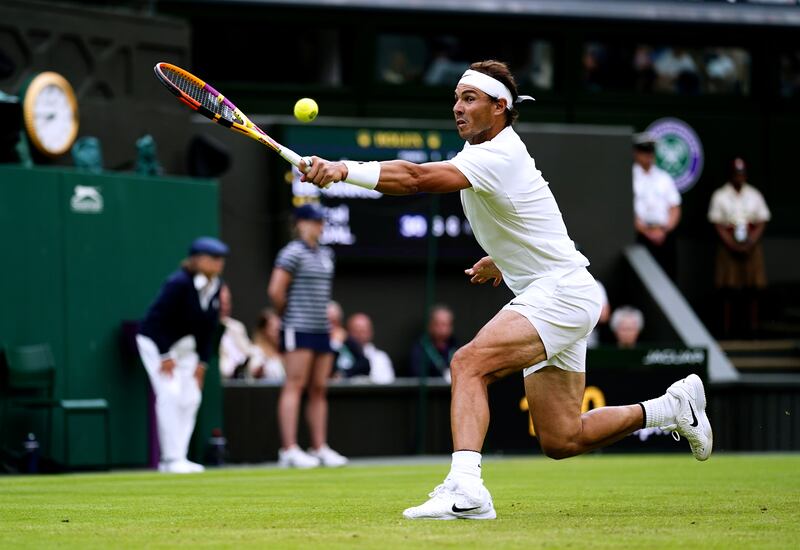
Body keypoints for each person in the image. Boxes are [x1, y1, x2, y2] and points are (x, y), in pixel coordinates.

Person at [300, 59, 712, 520]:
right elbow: (531, 220)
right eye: (455, 98)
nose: (457, 108)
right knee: (561, 438)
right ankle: (669, 408)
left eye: (469, 98)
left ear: (499, 107)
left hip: (560, 292)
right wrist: (504, 259)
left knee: (467, 363)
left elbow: (415, 179)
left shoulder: (497, 154)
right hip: (565, 290)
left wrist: (342, 169)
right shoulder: (492, 154)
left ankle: (467, 488)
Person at [136, 236, 229, 474]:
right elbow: (156, 321)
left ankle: (180, 457)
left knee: (191, 398)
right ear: (197, 260)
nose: (219, 263)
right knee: (169, 394)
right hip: (156, 343)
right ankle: (169, 459)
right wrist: (165, 356)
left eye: (221, 259)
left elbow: (209, 329)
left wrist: (203, 363)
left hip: (187, 348)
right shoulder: (177, 284)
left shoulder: (217, 286)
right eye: (213, 258)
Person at [268, 203, 348, 468]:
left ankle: (319, 447)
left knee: (318, 388)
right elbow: (275, 291)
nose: (318, 226)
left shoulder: (327, 255)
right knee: (295, 384)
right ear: (299, 224)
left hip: (320, 329)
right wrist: (290, 315)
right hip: (297, 327)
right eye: (313, 221)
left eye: (320, 222)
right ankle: (288, 449)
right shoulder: (291, 252)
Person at [708, 157, 771, 337]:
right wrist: (731, 243)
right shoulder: (720, 195)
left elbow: (762, 220)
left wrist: (751, 241)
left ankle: (752, 329)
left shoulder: (754, 194)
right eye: (736, 174)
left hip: (750, 245)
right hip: (728, 246)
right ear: (730, 175)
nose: (739, 177)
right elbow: (717, 223)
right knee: (728, 288)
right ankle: (727, 330)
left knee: (753, 288)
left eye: (742, 174)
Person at [632, 132, 682, 280]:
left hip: (664, 236)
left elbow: (675, 208)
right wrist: (646, 231)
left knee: (668, 277)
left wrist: (664, 230)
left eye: (651, 152)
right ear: (636, 153)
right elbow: (626, 211)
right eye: (644, 151)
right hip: (640, 237)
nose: (649, 156)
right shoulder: (629, 177)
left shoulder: (664, 178)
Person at [341, 313, 395, 384]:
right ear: (347, 332)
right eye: (355, 331)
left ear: (370, 332)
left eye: (363, 331)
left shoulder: (381, 357)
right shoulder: (340, 355)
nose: (359, 335)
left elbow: (388, 384)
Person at [409, 304, 458, 380]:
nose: (442, 329)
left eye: (446, 325)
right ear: (430, 326)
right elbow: (416, 375)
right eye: (438, 324)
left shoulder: (455, 346)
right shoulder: (420, 348)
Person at [251, 308, 287, 381]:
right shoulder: (256, 351)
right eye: (275, 330)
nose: (278, 334)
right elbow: (253, 371)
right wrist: (259, 372)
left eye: (281, 330)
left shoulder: (287, 352)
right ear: (264, 331)